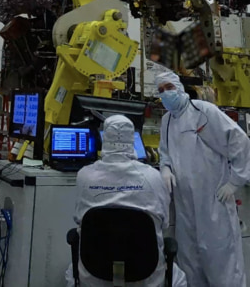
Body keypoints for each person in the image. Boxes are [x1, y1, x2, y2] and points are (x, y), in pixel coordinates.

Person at [156, 71, 250, 287]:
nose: (165, 94)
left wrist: (234, 182)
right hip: (184, 204)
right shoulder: (166, 121)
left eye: (168, 87)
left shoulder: (203, 111)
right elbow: (165, 152)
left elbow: (239, 142)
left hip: (214, 200)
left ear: (179, 87)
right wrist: (165, 168)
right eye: (160, 90)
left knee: (221, 257)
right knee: (189, 259)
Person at [66, 114, 187, 287]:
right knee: (179, 278)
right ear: (133, 140)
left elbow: (79, 219)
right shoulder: (153, 177)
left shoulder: (84, 176)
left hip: (95, 275)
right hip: (146, 277)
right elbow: (164, 223)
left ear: (104, 138)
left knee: (71, 272)